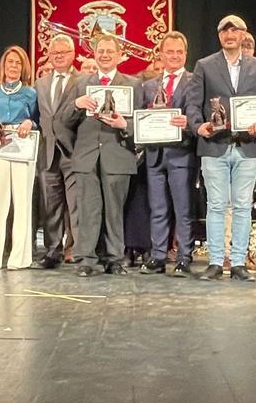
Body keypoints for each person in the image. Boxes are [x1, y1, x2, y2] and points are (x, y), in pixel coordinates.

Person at [184, 14, 256, 282]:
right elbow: (193, 102)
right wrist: (198, 126)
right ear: (219, 36)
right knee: (216, 205)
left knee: (244, 206)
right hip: (214, 145)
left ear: (244, 35)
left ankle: (237, 263)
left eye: (235, 30)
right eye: (225, 30)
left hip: (248, 146)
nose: (230, 34)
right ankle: (214, 261)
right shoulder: (204, 65)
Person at [57, 34, 145, 276]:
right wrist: (77, 104)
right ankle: (86, 258)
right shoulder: (81, 84)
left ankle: (114, 258)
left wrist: (122, 125)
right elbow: (64, 120)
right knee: (88, 210)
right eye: (101, 50)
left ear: (119, 55)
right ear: (94, 54)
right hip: (87, 157)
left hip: (118, 155)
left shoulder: (133, 85)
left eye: (110, 51)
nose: (105, 55)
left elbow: (142, 123)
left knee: (114, 211)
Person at [139, 31, 197, 276]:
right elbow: (141, 118)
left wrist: (189, 122)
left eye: (179, 52)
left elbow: (200, 117)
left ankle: (184, 257)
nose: (174, 56)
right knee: (158, 208)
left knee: (183, 210)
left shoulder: (195, 81)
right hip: (154, 155)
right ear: (161, 54)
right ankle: (158, 256)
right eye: (169, 52)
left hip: (182, 154)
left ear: (185, 54)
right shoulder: (149, 85)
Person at [0, 46, 40, 270]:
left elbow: (38, 120)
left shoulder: (30, 93)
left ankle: (20, 258)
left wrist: (29, 123)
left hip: (23, 147)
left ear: (23, 67)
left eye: (18, 63)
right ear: (3, 65)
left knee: (22, 201)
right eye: (9, 62)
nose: (13, 67)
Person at [35, 34, 80, 268]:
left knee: (75, 205)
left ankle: (76, 249)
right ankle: (53, 251)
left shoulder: (81, 80)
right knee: (50, 206)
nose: (59, 56)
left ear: (73, 55)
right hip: (47, 151)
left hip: (73, 151)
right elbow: (36, 117)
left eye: (63, 53)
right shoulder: (40, 83)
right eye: (55, 53)